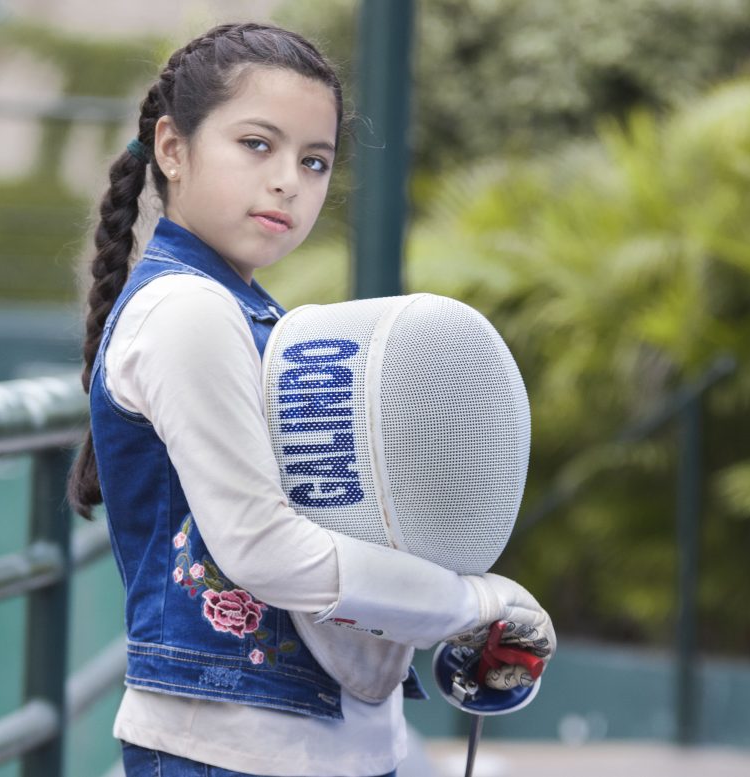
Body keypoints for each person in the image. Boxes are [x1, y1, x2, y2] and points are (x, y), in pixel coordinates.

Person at [66, 22, 555, 777]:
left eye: (314, 159)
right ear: (172, 148)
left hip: (333, 746)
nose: (289, 180)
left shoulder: (251, 312)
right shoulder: (184, 312)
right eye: (257, 144)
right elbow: (263, 547)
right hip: (227, 753)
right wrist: (468, 601)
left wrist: (454, 615)